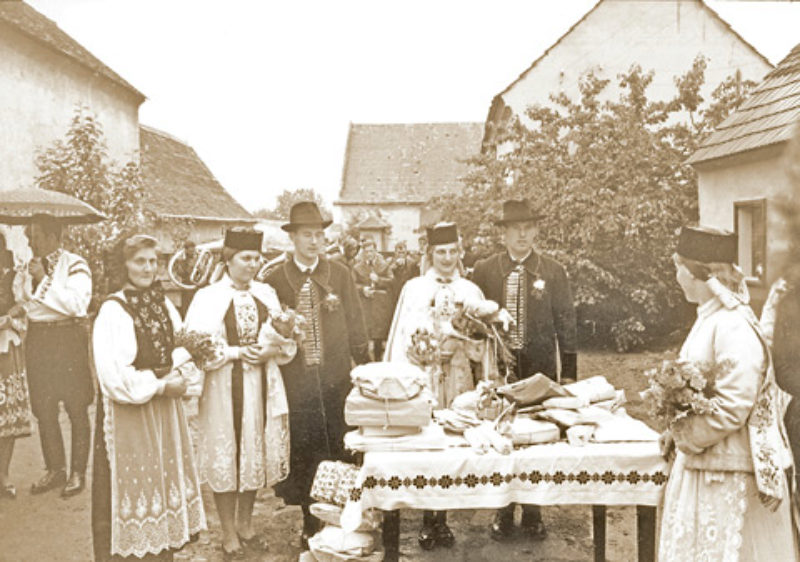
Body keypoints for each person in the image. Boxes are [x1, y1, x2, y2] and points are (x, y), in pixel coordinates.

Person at [658, 225, 797, 561]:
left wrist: (687, 434)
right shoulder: (710, 318)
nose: (676, 275)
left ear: (697, 274)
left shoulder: (732, 324)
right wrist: (673, 430)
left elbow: (734, 405)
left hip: (726, 473)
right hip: (705, 466)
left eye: (679, 266)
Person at [384, 222, 503, 553]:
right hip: (427, 374)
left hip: (460, 376)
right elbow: (405, 335)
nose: (447, 258)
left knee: (454, 441)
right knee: (428, 443)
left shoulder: (471, 291)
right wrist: (429, 351)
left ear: (460, 253)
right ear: (429, 254)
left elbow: (484, 345)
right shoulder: (414, 288)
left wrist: (471, 349)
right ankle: (427, 519)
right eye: (440, 252)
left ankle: (444, 518)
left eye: (453, 251)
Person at [91, 234, 206, 561]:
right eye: (139, 261)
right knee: (131, 497)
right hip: (131, 414)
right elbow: (113, 376)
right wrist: (159, 386)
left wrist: (182, 375)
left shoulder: (161, 301)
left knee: (160, 490)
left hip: (164, 412)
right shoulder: (113, 310)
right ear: (123, 264)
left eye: (153, 261)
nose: (148, 268)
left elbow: (182, 346)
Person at [263, 201, 369, 548]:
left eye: (319, 235)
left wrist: (362, 364)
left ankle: (342, 523)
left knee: (340, 448)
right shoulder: (276, 278)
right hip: (298, 384)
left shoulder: (339, 273)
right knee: (306, 451)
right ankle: (310, 522)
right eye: (306, 235)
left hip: (336, 379)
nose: (313, 241)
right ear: (292, 238)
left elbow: (355, 321)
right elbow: (270, 331)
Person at [185, 227, 296, 558]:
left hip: (260, 383)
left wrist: (269, 351)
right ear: (228, 260)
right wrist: (234, 353)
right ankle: (228, 530)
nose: (252, 264)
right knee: (228, 453)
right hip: (223, 385)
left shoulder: (266, 294)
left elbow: (284, 339)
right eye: (245, 258)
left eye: (256, 259)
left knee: (252, 452)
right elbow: (196, 344)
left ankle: (246, 523)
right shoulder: (208, 297)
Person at [471, 199, 578, 541]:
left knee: (537, 441)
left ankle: (533, 512)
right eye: (515, 228)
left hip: (540, 366)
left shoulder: (553, 270)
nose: (522, 234)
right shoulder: (485, 270)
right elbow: (474, 321)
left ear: (536, 230)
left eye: (528, 227)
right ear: (502, 233)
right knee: (502, 436)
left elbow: (567, 323)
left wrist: (569, 375)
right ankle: (502, 510)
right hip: (499, 368)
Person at [20, 215, 93, 497]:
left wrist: (43, 279)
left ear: (53, 236)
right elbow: (27, 305)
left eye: (35, 235)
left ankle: (77, 471)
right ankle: (55, 469)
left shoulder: (75, 264)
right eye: (28, 236)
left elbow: (76, 304)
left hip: (67, 338)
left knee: (76, 406)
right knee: (44, 408)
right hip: (39, 340)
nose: (30, 241)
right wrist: (30, 279)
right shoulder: (28, 266)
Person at [0, 233, 32, 500]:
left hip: (4, 347)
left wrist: (9, 316)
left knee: (6, 416)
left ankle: (3, 474)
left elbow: (25, 303)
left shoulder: (12, 270)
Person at [352, 237, 394, 360]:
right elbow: (352, 284)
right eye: (366, 252)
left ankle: (378, 358)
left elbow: (392, 281)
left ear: (376, 251)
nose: (369, 254)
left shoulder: (384, 265)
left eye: (371, 251)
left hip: (380, 306)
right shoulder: (357, 267)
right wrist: (362, 289)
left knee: (378, 335)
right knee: (365, 333)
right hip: (365, 305)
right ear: (363, 253)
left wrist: (379, 280)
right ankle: (364, 361)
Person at [388, 241, 420, 307]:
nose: (401, 255)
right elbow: (386, 275)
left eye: (403, 253)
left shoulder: (412, 264)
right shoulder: (389, 262)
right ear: (395, 252)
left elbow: (416, 279)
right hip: (393, 294)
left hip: (407, 293)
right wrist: (394, 266)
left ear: (406, 253)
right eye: (399, 253)